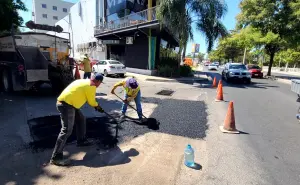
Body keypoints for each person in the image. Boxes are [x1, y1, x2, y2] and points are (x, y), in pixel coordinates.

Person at [50, 73, 105, 166]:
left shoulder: (83, 81)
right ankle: (56, 157)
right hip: (66, 105)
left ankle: (81, 140)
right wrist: (98, 107)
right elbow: (91, 101)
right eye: (100, 83)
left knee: (81, 119)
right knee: (66, 130)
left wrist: (96, 106)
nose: (99, 85)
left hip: (69, 104)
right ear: (98, 82)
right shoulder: (92, 86)